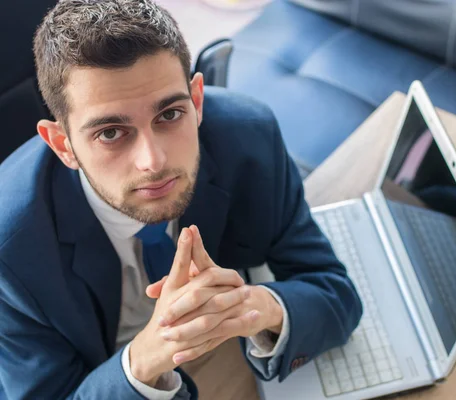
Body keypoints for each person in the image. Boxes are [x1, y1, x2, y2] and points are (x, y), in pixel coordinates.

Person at [0, 0, 362, 398]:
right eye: (110, 133)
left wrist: (252, 307)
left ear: (197, 100)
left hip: (230, 350)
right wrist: (144, 360)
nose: (153, 162)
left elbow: (335, 292)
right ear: (62, 144)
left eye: (169, 115)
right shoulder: (10, 250)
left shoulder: (250, 139)